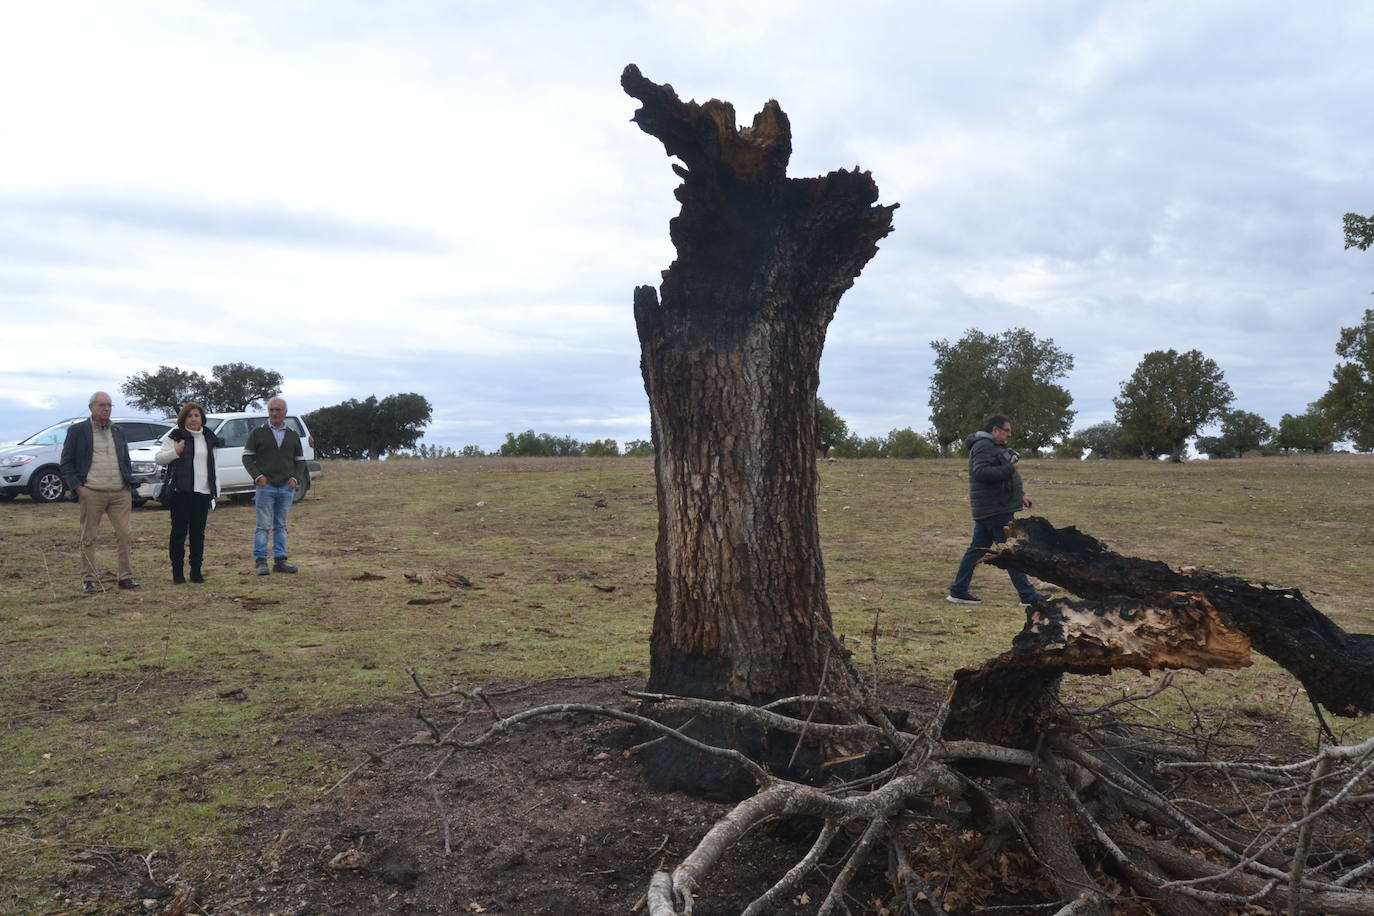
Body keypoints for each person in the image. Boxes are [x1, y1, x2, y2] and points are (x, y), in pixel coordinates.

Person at [947, 414, 1044, 606]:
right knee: (1010, 552)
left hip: (993, 508)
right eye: (1006, 431)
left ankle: (958, 591)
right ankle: (1028, 596)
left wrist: (1020, 495)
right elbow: (981, 472)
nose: (1009, 434)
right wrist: (1010, 468)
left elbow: (1003, 477)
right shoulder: (983, 446)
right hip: (995, 509)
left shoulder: (993, 447)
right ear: (995, 430)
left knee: (976, 550)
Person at [58, 391, 140, 593]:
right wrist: (79, 488)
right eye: (102, 405)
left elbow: (125, 459)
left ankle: (125, 577)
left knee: (124, 534)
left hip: (120, 491)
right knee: (89, 537)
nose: (106, 409)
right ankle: (88, 579)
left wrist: (128, 483)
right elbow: (66, 462)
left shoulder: (118, 431)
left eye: (109, 405)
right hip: (92, 491)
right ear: (91, 407)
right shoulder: (78, 431)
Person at [155, 403, 224, 584]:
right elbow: (159, 459)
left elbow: (214, 466)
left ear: (202, 418)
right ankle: (178, 573)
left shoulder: (209, 437)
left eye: (197, 415)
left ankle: (196, 571)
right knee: (178, 533)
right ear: (184, 419)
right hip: (181, 492)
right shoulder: (176, 436)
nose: (194, 419)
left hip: (202, 493)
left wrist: (215, 490)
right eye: (190, 416)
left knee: (197, 533)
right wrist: (175, 452)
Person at [242, 397, 306, 575]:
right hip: (266, 487)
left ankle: (280, 561)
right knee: (262, 526)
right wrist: (257, 477)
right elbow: (247, 457)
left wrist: (295, 478)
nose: (275, 413)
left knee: (281, 525)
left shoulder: (293, 434)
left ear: (285, 412)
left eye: (278, 410)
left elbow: (300, 461)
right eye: (271, 410)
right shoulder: (258, 433)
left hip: (286, 488)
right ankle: (261, 562)